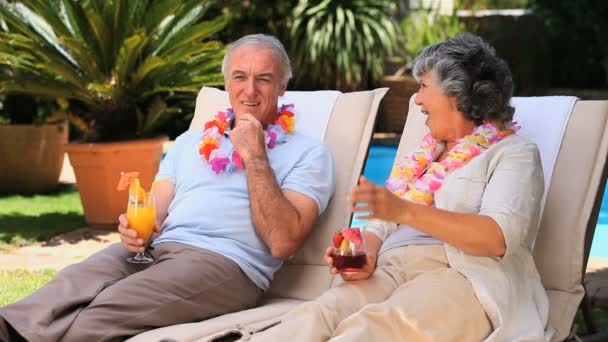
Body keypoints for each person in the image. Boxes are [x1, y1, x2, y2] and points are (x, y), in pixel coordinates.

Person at [0, 34, 335, 342]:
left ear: (282, 87)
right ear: (226, 83)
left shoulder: (309, 152)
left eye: (263, 79)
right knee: (65, 289)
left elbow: (283, 241)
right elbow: (155, 212)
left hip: (226, 264)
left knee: (102, 313)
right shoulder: (190, 142)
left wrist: (255, 156)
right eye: (239, 77)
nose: (250, 91)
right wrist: (134, 230)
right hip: (156, 250)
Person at [248, 33, 551, 341]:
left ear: (455, 94)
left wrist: (406, 211)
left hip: (460, 275)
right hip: (390, 271)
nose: (417, 100)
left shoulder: (513, 153)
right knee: (315, 315)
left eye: (423, 86)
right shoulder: (423, 156)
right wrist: (362, 255)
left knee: (373, 328)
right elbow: (379, 226)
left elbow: (497, 238)